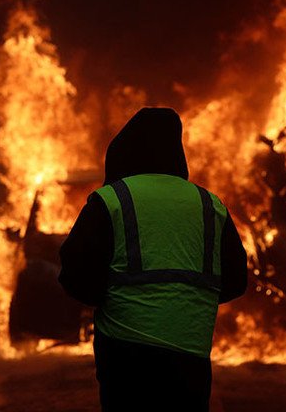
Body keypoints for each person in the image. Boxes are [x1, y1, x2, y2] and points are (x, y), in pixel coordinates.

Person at [58, 107, 248, 411]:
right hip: (190, 353)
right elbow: (236, 281)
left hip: (125, 353)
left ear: (122, 152)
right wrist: (187, 302)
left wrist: (113, 299)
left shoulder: (111, 200)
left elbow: (76, 277)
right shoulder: (209, 204)